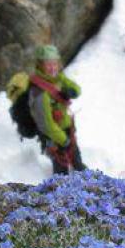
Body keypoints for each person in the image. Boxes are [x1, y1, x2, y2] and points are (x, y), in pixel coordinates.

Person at [23, 44, 86, 175]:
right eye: (48, 64)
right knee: (61, 168)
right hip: (53, 137)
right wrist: (64, 140)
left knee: (78, 163)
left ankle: (86, 183)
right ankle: (61, 191)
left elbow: (76, 89)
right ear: (40, 65)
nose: (53, 68)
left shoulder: (57, 79)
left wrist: (70, 91)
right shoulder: (39, 92)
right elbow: (46, 125)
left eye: (55, 64)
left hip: (67, 130)